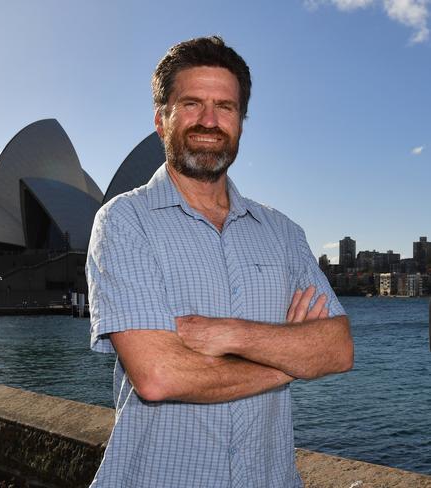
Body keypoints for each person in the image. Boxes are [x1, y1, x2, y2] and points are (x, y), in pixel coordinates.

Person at [86, 36, 354, 488]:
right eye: (191, 103)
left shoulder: (283, 233)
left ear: (241, 123)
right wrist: (289, 358)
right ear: (161, 119)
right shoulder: (123, 222)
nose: (209, 121)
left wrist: (227, 333)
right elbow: (158, 375)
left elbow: (337, 348)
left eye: (225, 107)